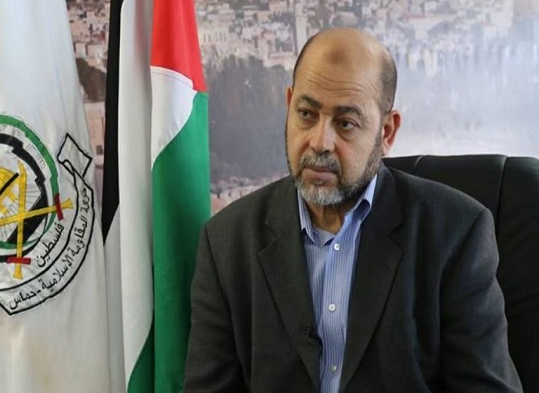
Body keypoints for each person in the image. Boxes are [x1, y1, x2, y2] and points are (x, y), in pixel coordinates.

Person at [184, 28, 522, 392]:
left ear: (387, 132)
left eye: (345, 124)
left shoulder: (456, 234)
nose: (319, 142)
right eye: (306, 114)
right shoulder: (227, 243)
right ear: (289, 104)